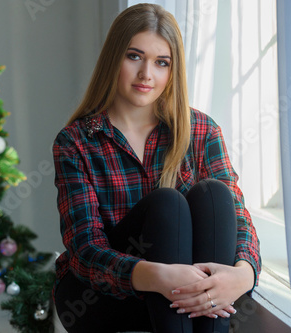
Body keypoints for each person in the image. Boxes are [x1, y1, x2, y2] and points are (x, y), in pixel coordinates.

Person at [52, 3, 261, 333]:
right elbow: (85, 250)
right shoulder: (78, 140)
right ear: (113, 59)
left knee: (214, 194)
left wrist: (243, 274)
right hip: (99, 295)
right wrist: (157, 276)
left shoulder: (201, 131)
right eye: (134, 56)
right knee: (168, 204)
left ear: (172, 71)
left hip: (183, 296)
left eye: (161, 62)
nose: (146, 74)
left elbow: (238, 217)